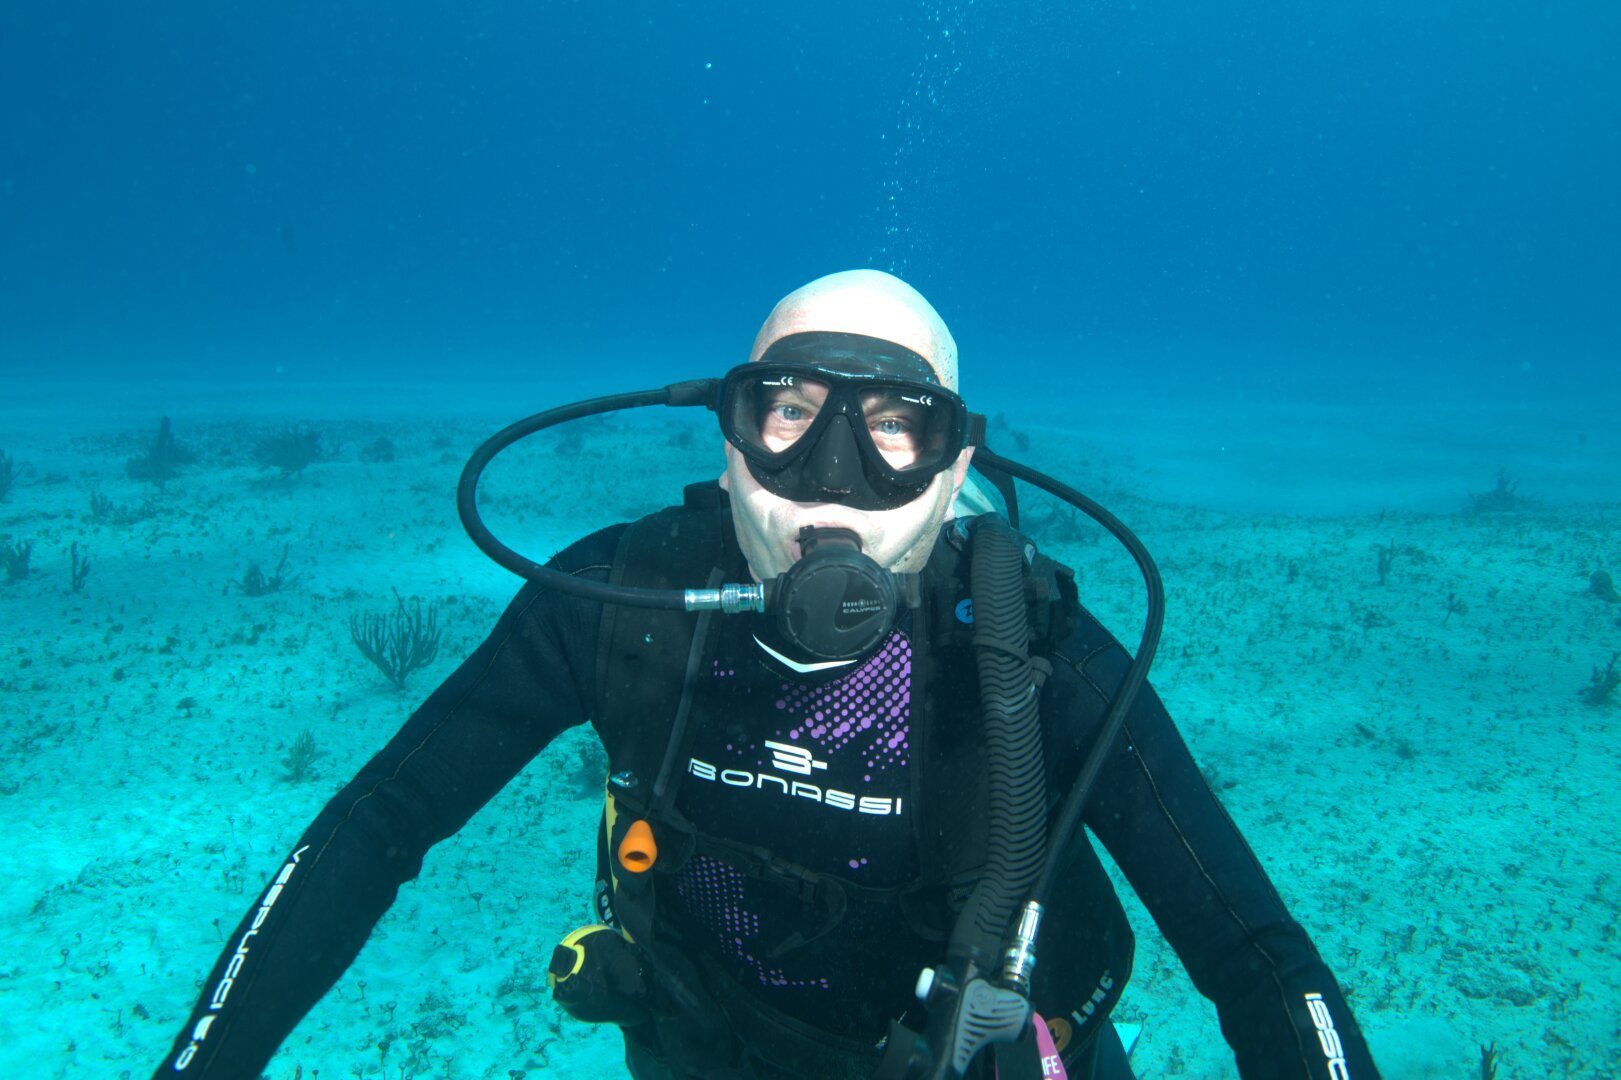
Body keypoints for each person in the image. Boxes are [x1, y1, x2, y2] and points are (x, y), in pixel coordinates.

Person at [155, 269, 1381, 1079]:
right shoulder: (620, 604)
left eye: (897, 425)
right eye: (787, 409)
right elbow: (380, 823)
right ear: (726, 436)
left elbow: (1258, 958)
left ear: (958, 474)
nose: (833, 472)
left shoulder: (1031, 656)